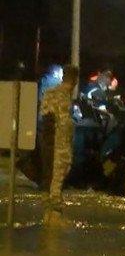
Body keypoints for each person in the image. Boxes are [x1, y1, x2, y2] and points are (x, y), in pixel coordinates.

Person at [40, 65, 78, 220]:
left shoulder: (50, 93)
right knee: (57, 180)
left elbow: (45, 117)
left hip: (48, 144)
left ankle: (48, 221)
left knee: (50, 182)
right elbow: (63, 124)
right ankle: (53, 226)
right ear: (75, 80)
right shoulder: (64, 95)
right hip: (59, 145)